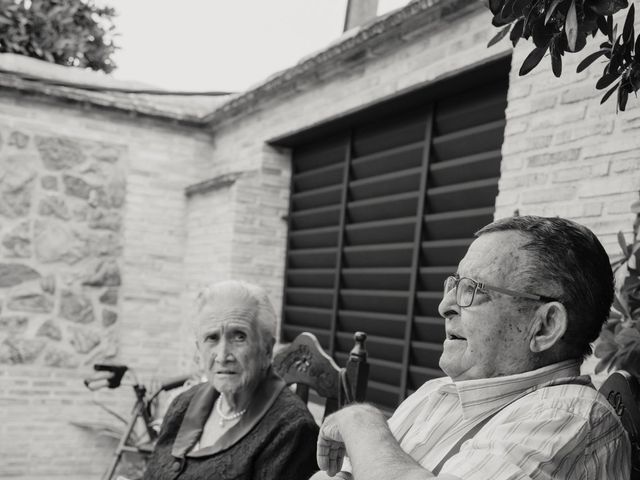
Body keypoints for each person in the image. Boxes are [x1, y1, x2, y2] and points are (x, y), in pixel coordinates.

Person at [313, 215, 631, 480]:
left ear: (544, 326)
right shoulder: (436, 393)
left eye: (473, 290)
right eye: (454, 284)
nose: (445, 305)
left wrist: (360, 420)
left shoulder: (567, 417)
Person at [143, 280, 319, 480]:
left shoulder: (291, 429)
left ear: (267, 349)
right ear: (198, 348)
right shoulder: (183, 404)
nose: (222, 356)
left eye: (239, 337)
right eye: (212, 338)